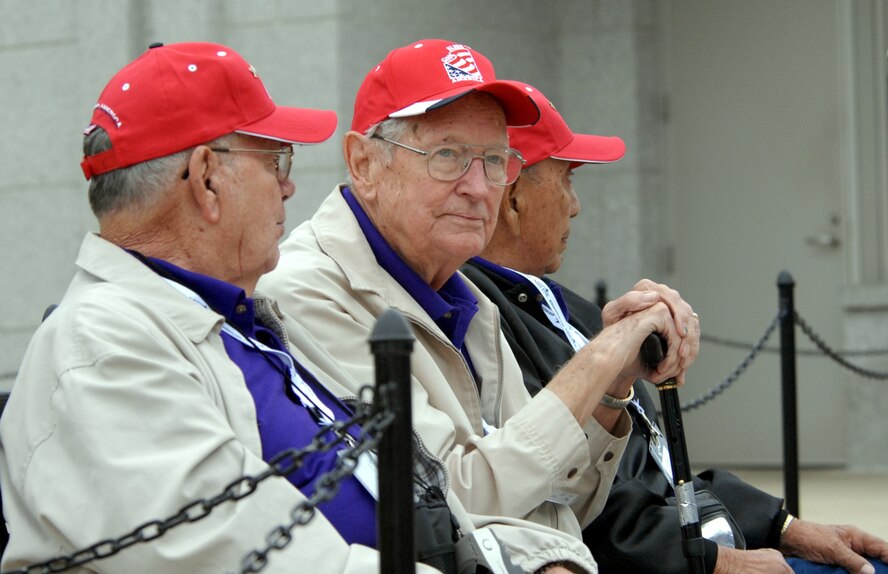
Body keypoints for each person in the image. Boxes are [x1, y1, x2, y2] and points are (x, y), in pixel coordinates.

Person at [0, 42, 586, 574]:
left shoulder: (239, 319)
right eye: (275, 161)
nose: (289, 188)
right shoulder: (104, 345)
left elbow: (431, 501)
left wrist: (530, 562)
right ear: (206, 180)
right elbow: (240, 555)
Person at [258, 38, 700, 574]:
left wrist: (611, 390)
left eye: (495, 160)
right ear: (363, 162)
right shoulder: (306, 290)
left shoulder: (464, 292)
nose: (478, 187)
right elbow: (451, 501)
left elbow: (562, 504)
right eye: (447, 155)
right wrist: (598, 358)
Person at [460, 81, 888, 574]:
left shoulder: (559, 303)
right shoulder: (484, 325)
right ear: (513, 200)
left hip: (693, 540)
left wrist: (784, 525)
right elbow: (571, 507)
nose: (576, 205)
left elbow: (655, 467)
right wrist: (720, 562)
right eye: (567, 180)